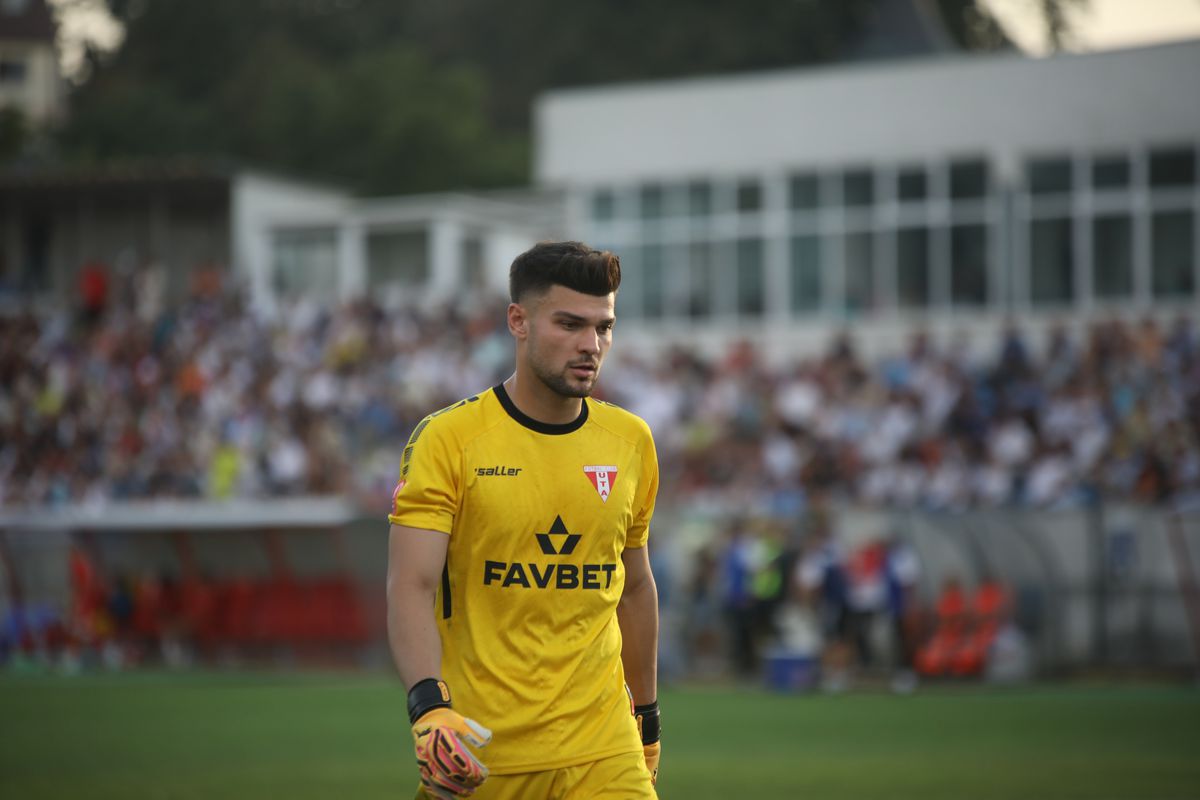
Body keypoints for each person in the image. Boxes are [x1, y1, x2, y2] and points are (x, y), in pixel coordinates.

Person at [387, 241, 661, 800]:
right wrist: (428, 708)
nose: (591, 345)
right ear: (519, 321)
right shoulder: (449, 440)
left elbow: (634, 588)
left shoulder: (631, 441)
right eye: (570, 324)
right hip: (480, 752)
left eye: (604, 327)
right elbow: (409, 585)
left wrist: (647, 718)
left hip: (605, 749)